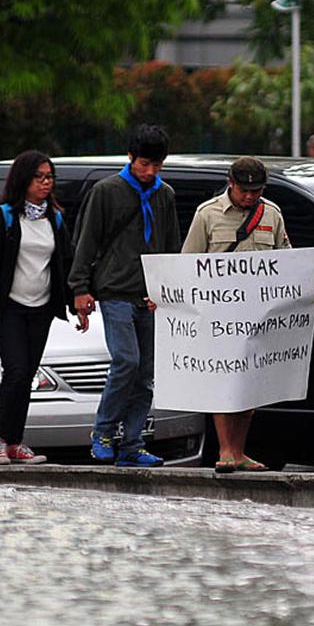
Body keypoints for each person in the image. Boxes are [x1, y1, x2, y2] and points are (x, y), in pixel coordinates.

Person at [69, 125, 181, 468]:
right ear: (130, 157)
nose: (150, 172)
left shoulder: (165, 195)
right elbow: (86, 241)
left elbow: (170, 247)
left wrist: (166, 289)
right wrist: (80, 288)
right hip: (114, 290)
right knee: (126, 361)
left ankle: (132, 443)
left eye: (156, 165)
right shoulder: (107, 191)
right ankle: (103, 431)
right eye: (144, 164)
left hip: (149, 296)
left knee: (146, 373)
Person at [0, 151, 89, 465]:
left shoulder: (56, 219)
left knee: (27, 375)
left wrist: (77, 300)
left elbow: (66, 263)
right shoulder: (5, 218)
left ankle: (16, 442)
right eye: (39, 177)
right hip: (7, 307)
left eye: (49, 177)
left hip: (40, 308)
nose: (45, 183)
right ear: (23, 180)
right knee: (16, 369)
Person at [181, 157, 291, 473]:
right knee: (222, 382)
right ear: (231, 183)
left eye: (256, 191)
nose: (249, 197)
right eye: (244, 190)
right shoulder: (208, 214)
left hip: (258, 317)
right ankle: (225, 450)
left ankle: (240, 451)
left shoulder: (272, 214)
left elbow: (285, 261)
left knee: (250, 386)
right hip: (219, 315)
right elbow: (187, 264)